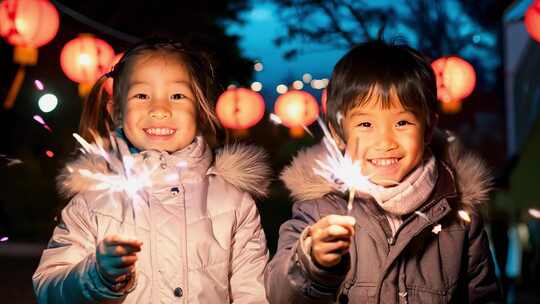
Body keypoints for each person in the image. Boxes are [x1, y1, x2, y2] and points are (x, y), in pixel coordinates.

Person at [33, 39, 270, 303]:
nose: (159, 109)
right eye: (142, 95)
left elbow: (253, 292)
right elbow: (48, 289)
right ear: (117, 112)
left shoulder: (233, 202)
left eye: (177, 96)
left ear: (201, 110)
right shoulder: (93, 201)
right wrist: (97, 275)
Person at [265, 40, 501, 303]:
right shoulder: (318, 211)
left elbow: (484, 296)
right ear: (338, 132)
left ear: (428, 126)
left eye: (402, 122)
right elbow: (279, 294)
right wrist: (312, 262)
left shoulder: (459, 216)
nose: (385, 141)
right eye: (366, 123)